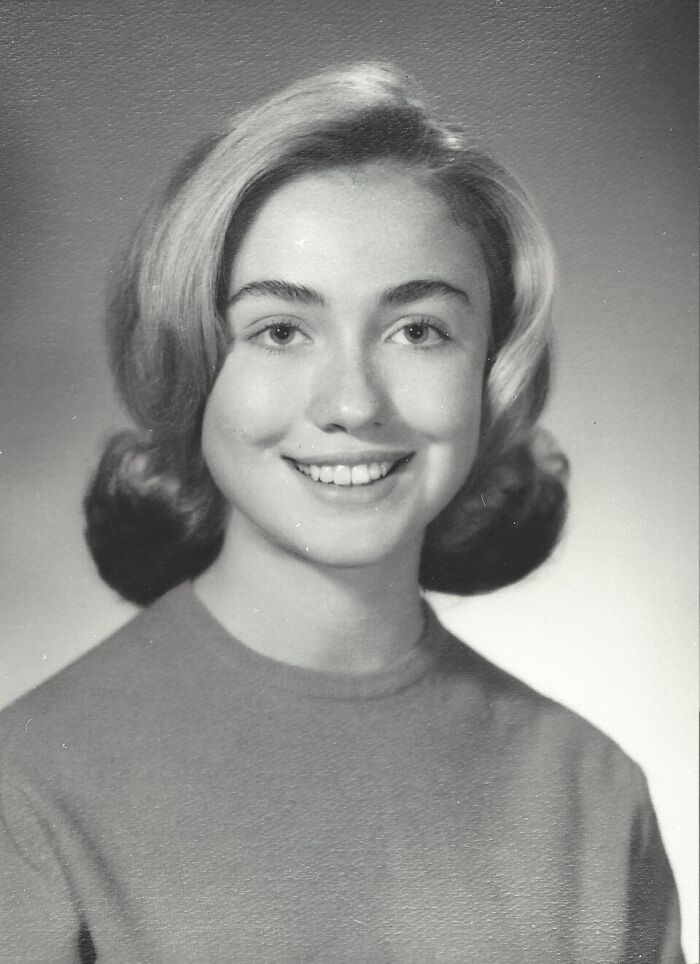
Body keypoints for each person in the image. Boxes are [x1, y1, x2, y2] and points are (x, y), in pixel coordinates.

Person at [0, 63, 684, 963]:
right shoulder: (31, 790)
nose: (354, 403)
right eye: (281, 331)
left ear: (492, 372)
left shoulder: (589, 792)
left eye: (418, 330)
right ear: (191, 363)